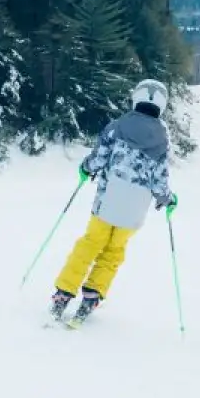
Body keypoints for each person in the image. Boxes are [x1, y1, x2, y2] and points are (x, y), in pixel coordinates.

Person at [51, 79, 177, 324]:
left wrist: (86, 169)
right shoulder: (162, 140)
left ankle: (64, 292)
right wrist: (167, 199)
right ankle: (92, 294)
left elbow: (99, 158)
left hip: (108, 202)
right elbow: (160, 180)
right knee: (114, 251)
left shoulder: (117, 127)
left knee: (90, 244)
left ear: (136, 97)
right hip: (134, 211)